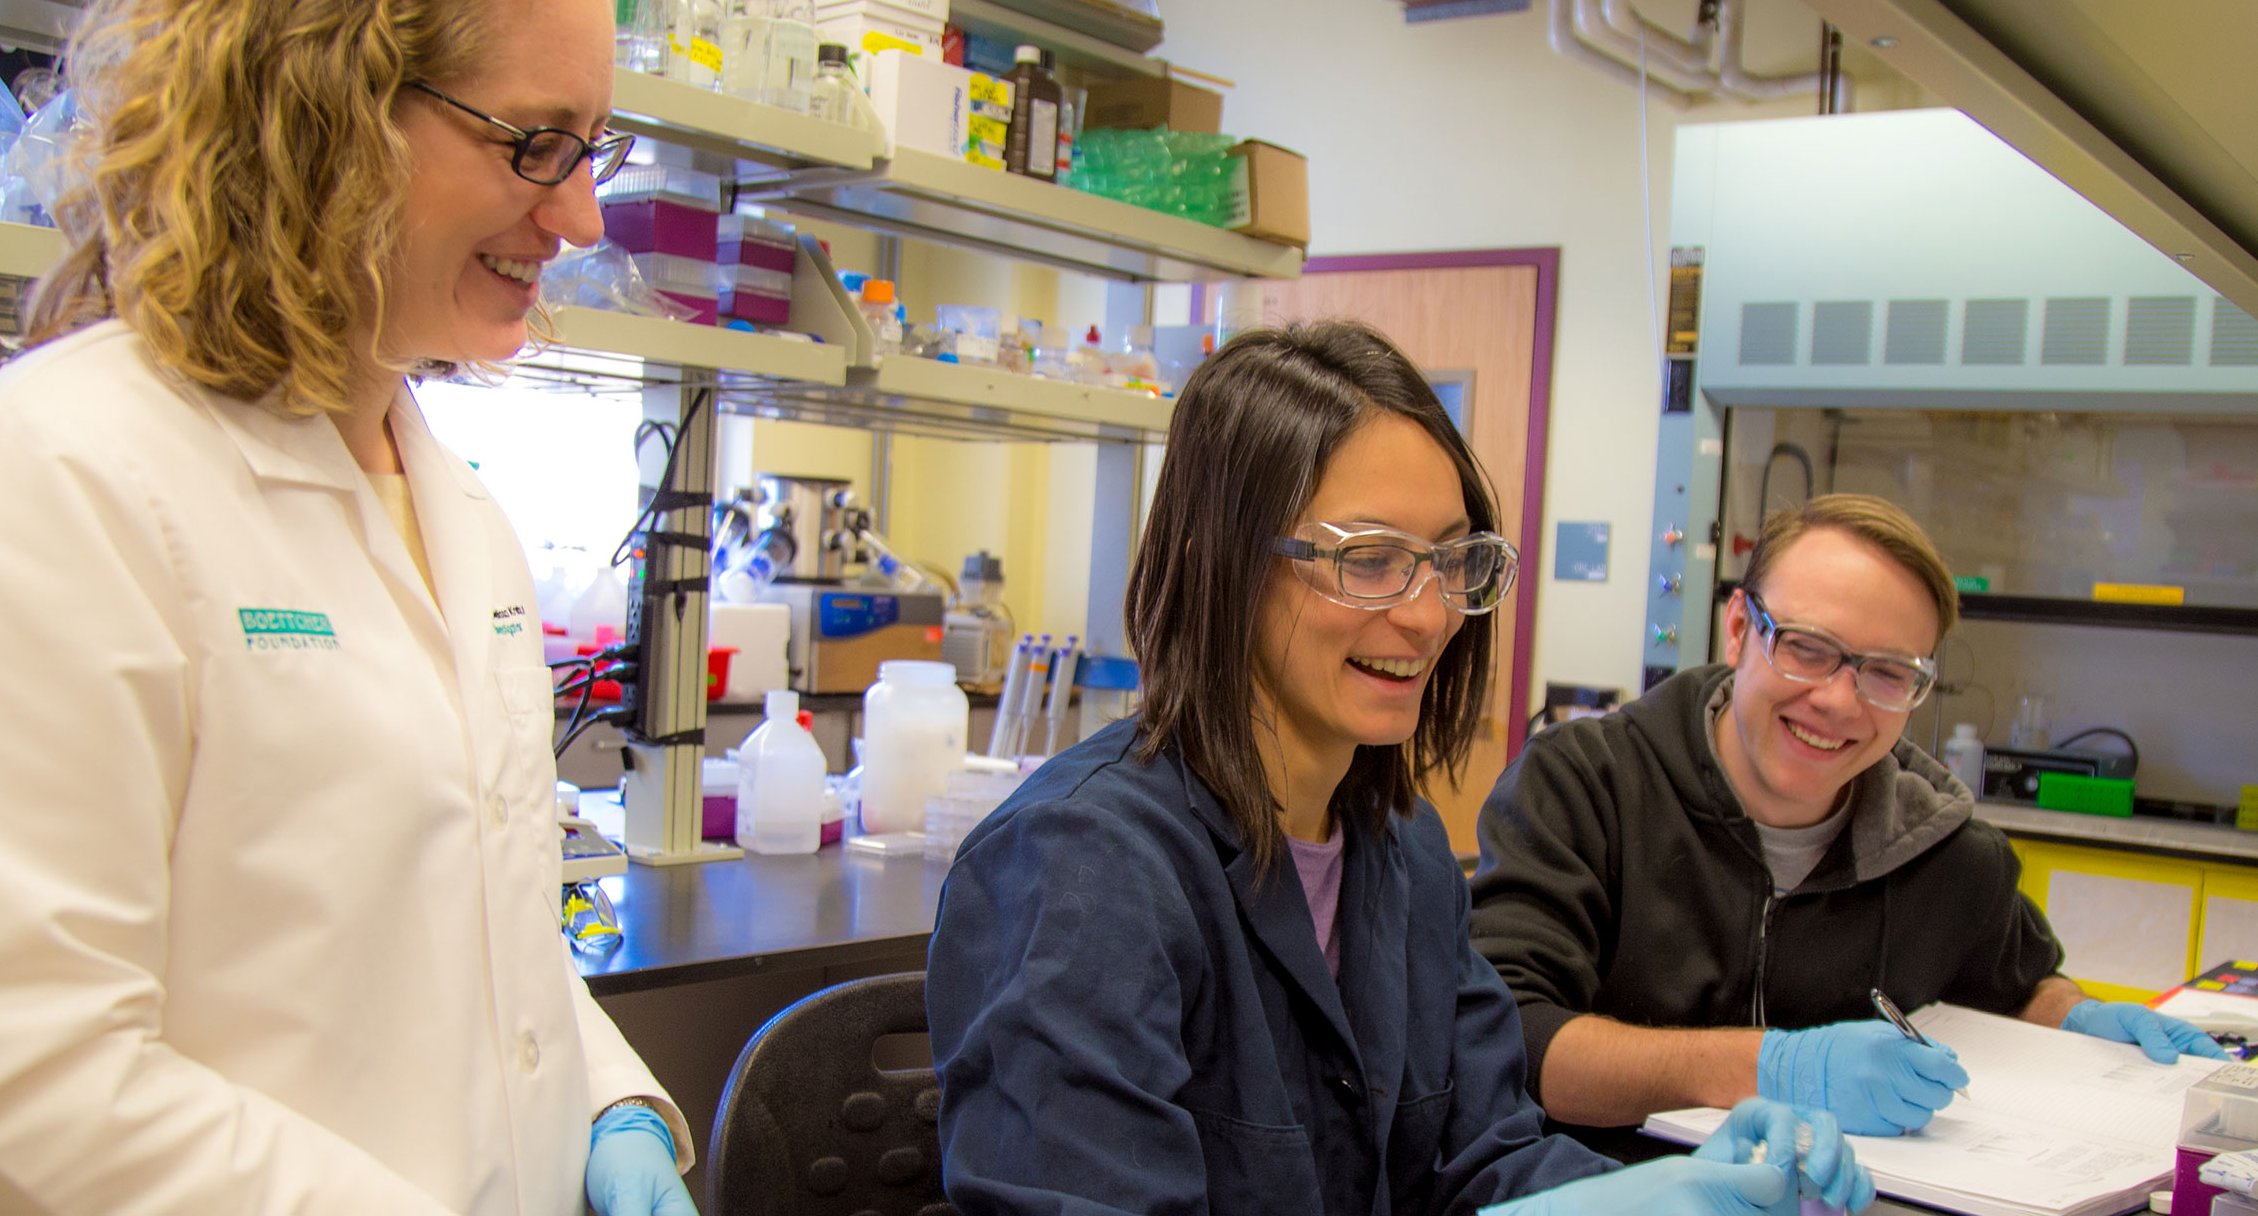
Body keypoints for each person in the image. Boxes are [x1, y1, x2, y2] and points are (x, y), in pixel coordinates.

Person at [0, 0, 697, 1214]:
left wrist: (602, 1104)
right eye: (538, 145)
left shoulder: (457, 516)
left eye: (596, 147)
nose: (582, 215)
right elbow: (9, 1087)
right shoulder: (44, 490)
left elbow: (475, 942)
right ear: (327, 108)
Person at [925, 323, 1873, 1216]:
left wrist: (1664, 1188)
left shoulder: (1406, 854)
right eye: (1369, 561)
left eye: (1452, 560)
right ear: (1216, 560)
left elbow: (1482, 1161)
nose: (1429, 617)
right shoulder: (1085, 868)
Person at [1470, 493, 2227, 1142]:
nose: (1838, 700)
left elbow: (2020, 984)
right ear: (1739, 629)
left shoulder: (1948, 850)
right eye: (1806, 648)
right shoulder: (1584, 787)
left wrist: (2087, 1024)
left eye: (1887, 672)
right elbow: (1511, 1038)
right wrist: (1772, 1069)